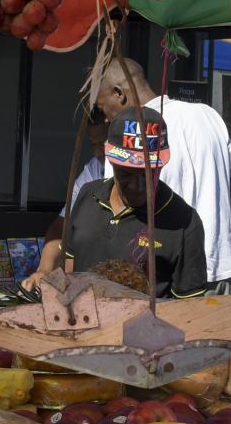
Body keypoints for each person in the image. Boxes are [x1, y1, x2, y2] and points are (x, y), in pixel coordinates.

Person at [92, 57, 231, 293]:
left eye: (103, 107)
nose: (105, 118)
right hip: (224, 275)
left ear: (119, 94)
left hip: (166, 283)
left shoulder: (125, 141)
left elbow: (119, 217)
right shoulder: (210, 116)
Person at [61, 106, 208, 299]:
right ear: (111, 162)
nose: (139, 185)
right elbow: (70, 267)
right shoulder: (87, 195)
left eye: (149, 174)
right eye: (126, 173)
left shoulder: (185, 223)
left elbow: (190, 311)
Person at [19, 111, 110, 293]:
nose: (98, 151)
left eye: (103, 143)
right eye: (93, 144)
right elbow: (61, 226)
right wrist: (44, 270)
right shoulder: (94, 170)